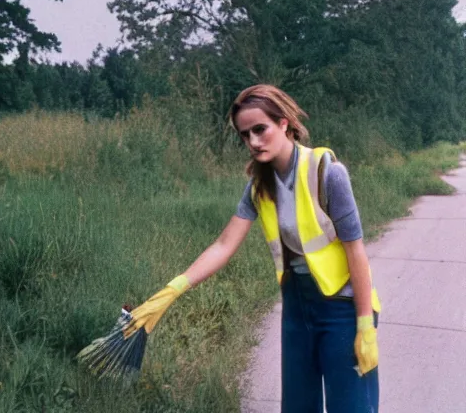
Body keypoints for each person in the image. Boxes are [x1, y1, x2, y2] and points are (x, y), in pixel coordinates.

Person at [125, 84, 381, 413]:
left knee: (351, 407)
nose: (253, 142)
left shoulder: (327, 172)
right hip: (297, 305)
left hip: (342, 307)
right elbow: (223, 244)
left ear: (285, 123)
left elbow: (356, 253)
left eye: (260, 129)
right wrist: (171, 291)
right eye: (245, 135)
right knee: (298, 407)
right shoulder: (260, 186)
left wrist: (364, 326)